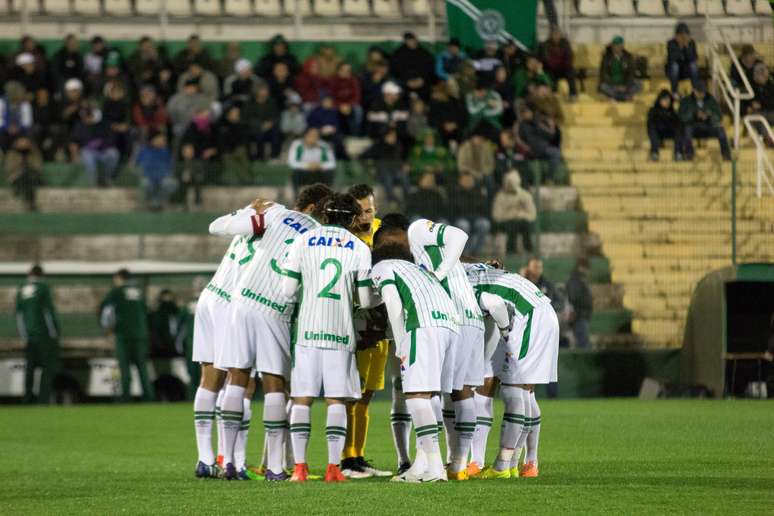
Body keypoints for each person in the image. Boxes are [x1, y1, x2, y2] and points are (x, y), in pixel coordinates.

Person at [211, 184, 331, 481]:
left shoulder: (275, 211)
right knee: (274, 383)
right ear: (316, 208)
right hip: (274, 307)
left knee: (237, 377)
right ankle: (275, 467)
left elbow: (221, 227)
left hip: (241, 299)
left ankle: (229, 461)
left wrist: (246, 210)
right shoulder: (318, 235)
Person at [282, 193, 376, 483]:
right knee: (336, 401)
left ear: (324, 214)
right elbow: (365, 299)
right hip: (340, 333)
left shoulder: (303, 241)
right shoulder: (359, 248)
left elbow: (287, 291)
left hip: (308, 332)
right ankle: (334, 468)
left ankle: (300, 468)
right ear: (350, 219)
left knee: (302, 400)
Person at [189, 200, 273, 479]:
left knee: (209, 380)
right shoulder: (278, 232)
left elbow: (218, 225)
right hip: (233, 303)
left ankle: (205, 458)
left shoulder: (246, 225)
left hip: (210, 295)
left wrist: (247, 209)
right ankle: (233, 461)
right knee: (242, 382)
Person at [402, 218, 486, 481]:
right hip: (472, 317)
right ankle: (458, 465)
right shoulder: (427, 255)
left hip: (452, 316)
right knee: (462, 393)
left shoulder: (416, 230)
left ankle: (426, 463)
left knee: (430, 390)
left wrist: (437, 276)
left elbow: (459, 235)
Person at [369, 242, 460, 483]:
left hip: (423, 326)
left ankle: (435, 468)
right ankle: (421, 465)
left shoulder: (383, 266)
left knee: (416, 395)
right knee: (430, 396)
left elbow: (391, 299)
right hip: (450, 326)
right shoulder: (417, 270)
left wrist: (400, 342)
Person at [466, 263, 559, 479]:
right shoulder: (475, 273)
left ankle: (503, 465)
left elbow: (495, 304)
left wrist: (507, 333)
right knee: (523, 390)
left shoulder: (463, 285)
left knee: (515, 390)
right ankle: (513, 463)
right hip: (534, 313)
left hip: (526, 318)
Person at [340, 185, 393, 479]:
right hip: (358, 326)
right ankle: (346, 458)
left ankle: (358, 456)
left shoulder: (382, 230)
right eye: (361, 210)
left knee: (368, 395)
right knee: (353, 394)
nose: (366, 215)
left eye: (370, 209)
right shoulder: (345, 238)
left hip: (381, 325)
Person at [99, 269, 155, 402]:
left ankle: (126, 398)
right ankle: (149, 398)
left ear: (119, 278)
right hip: (141, 336)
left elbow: (106, 311)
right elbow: (148, 312)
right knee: (142, 369)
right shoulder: (140, 292)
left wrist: (106, 328)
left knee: (124, 369)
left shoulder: (116, 292)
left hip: (123, 336)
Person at [15, 265, 60, 404]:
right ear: (42, 275)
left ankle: (27, 397)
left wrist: (24, 336)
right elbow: (48, 313)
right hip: (44, 335)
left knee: (30, 367)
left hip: (29, 336)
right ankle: (43, 399)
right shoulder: (44, 288)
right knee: (47, 368)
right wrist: (55, 332)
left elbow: (19, 316)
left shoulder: (21, 289)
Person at [679, 82, 732, 161]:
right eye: (699, 92)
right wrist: (694, 115)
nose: (701, 94)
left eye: (703, 92)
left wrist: (709, 115)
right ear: (694, 91)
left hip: (708, 126)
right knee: (687, 130)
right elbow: (682, 117)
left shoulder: (711, 100)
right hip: (693, 126)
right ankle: (689, 154)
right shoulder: (686, 101)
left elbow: (719, 116)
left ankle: (726, 155)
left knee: (721, 130)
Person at [70, 106, 121, 186]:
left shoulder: (103, 124)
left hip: (103, 151)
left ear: (93, 115)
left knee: (114, 153)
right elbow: (73, 142)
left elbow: (111, 141)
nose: (85, 118)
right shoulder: (80, 126)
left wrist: (102, 144)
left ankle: (107, 178)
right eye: (84, 116)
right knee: (87, 155)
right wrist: (75, 155)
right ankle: (93, 182)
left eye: (87, 116)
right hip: (88, 152)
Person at [179, 107, 219, 206]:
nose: (205, 116)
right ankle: (184, 201)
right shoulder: (191, 127)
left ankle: (197, 200)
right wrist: (187, 149)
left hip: (205, 158)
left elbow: (217, 144)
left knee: (198, 175)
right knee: (187, 175)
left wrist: (212, 150)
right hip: (192, 159)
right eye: (203, 114)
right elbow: (185, 144)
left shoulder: (211, 128)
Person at [446, 172, 491, 257]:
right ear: (460, 181)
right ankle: (464, 253)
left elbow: (483, 209)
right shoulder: (455, 192)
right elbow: (452, 210)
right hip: (459, 218)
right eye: (465, 180)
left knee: (485, 224)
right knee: (464, 225)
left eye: (470, 180)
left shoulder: (478, 192)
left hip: (475, 218)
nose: (468, 182)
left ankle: (476, 252)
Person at [492, 170, 536, 254]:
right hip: (505, 223)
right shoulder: (500, 196)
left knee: (524, 223)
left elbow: (532, 215)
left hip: (522, 220)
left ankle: (529, 250)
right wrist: (513, 215)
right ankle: (511, 251)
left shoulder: (525, 195)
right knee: (513, 224)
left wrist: (520, 215)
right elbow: (496, 216)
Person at [359, 128, 409, 204]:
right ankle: (392, 199)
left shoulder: (398, 145)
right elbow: (362, 156)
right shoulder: (378, 146)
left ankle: (407, 198)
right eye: (392, 136)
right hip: (382, 173)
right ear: (386, 136)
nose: (394, 138)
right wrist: (370, 169)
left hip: (396, 172)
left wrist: (405, 164)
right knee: (387, 177)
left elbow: (403, 158)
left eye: (395, 136)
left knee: (403, 176)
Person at [517, 102, 563, 183]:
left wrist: (551, 126)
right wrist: (525, 147)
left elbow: (551, 135)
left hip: (543, 149)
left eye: (528, 112)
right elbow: (519, 140)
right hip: (531, 150)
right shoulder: (521, 125)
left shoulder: (538, 122)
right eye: (524, 113)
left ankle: (549, 178)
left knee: (556, 153)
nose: (527, 114)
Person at [135, 130, 176, 211]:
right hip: (148, 177)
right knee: (145, 183)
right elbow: (139, 166)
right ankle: (150, 203)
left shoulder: (165, 152)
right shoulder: (144, 151)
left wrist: (163, 175)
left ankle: (158, 202)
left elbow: (170, 167)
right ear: (153, 140)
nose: (163, 141)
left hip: (162, 178)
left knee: (170, 184)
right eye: (161, 139)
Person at [288, 127, 336, 193]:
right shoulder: (297, 145)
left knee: (329, 173)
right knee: (295, 173)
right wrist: (308, 166)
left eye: (316, 136)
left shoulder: (324, 146)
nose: (313, 138)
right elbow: (292, 163)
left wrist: (320, 166)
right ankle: (296, 197)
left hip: (319, 173)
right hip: (304, 173)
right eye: (311, 135)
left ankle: (328, 196)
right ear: (305, 136)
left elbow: (332, 164)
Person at [389, 32, 435, 101]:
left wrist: (422, 80)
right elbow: (395, 70)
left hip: (422, 83)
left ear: (416, 40)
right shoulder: (398, 54)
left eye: (412, 40)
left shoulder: (424, 53)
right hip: (405, 83)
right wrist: (406, 81)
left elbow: (430, 68)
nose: (410, 42)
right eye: (408, 40)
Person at [365, 81, 410, 147]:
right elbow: (372, 122)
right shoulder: (376, 105)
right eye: (394, 94)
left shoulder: (401, 105)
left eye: (397, 94)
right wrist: (388, 124)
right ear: (386, 94)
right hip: (379, 135)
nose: (397, 96)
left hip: (397, 134)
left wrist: (394, 127)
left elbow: (404, 118)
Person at [4, 133, 42, 211]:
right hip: (16, 177)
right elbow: (9, 168)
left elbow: (38, 167)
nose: (23, 143)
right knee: (24, 177)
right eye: (21, 141)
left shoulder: (34, 153)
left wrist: (28, 166)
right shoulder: (12, 154)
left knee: (27, 176)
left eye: (25, 141)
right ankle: (31, 203)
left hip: (31, 176)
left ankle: (24, 198)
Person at [538, 26, 578, 100]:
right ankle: (554, 93)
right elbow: (546, 59)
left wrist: (563, 65)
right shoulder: (545, 45)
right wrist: (556, 65)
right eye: (554, 34)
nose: (556, 36)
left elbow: (569, 57)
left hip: (563, 68)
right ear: (550, 35)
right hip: (551, 68)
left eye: (557, 34)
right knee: (549, 73)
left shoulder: (565, 43)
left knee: (570, 71)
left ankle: (573, 94)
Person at [243, 83, 281, 161]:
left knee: (276, 131)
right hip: (254, 128)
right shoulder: (249, 102)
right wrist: (260, 124)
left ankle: (274, 155)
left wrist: (270, 123)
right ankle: (260, 156)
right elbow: (246, 118)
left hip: (269, 127)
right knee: (257, 132)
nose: (264, 92)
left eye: (266, 90)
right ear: (256, 91)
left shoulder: (271, 102)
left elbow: (276, 116)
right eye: (262, 90)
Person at [647, 89, 686, 162]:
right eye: (664, 100)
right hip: (658, 133)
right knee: (651, 125)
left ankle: (678, 153)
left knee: (680, 125)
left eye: (668, 100)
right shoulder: (653, 110)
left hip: (670, 132)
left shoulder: (672, 110)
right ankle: (654, 153)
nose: (666, 102)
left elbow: (678, 122)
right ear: (660, 100)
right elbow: (651, 122)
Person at [216, 104, 252, 183]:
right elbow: (221, 142)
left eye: (237, 113)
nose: (236, 115)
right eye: (234, 113)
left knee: (242, 153)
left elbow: (244, 141)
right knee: (231, 162)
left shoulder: (242, 125)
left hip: (238, 151)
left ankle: (247, 180)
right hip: (226, 152)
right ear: (228, 114)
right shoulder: (221, 125)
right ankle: (246, 179)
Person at [598, 36, 641, 102]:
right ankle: (624, 97)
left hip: (625, 85)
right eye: (615, 45)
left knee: (638, 84)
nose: (616, 47)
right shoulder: (606, 57)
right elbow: (604, 74)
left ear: (622, 46)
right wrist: (615, 86)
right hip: (612, 84)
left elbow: (631, 73)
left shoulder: (628, 57)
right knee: (603, 86)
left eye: (619, 45)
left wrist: (625, 85)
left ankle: (617, 97)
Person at [457, 130, 497, 199]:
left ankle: (490, 200)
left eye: (481, 138)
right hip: (469, 173)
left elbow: (491, 164)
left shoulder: (487, 148)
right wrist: (474, 173)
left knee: (489, 179)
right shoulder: (464, 148)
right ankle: (476, 201)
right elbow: (461, 166)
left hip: (484, 173)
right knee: (473, 181)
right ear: (472, 138)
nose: (480, 140)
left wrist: (484, 172)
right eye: (478, 138)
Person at [428, 81, 468, 149]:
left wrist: (455, 124)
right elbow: (431, 119)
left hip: (457, 130)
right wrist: (443, 125)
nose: (434, 95)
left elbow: (464, 117)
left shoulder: (456, 102)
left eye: (436, 92)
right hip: (441, 131)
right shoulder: (433, 104)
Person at [565, 258, 593, 349]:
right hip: (578, 316)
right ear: (581, 267)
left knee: (583, 344)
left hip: (580, 315)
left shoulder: (578, 279)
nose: (587, 271)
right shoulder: (576, 280)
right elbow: (574, 297)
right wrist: (587, 301)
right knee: (583, 345)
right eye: (586, 268)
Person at [666, 22, 699, 95]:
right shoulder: (671, 43)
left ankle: (695, 89)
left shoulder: (691, 43)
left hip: (686, 70)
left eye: (685, 35)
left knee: (693, 65)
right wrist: (680, 47)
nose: (683, 37)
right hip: (673, 71)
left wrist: (687, 47)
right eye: (681, 35)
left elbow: (694, 58)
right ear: (676, 35)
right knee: (675, 66)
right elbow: (672, 58)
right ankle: (674, 91)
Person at [331, 62, 362, 136]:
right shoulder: (333, 80)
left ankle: (355, 134)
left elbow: (357, 96)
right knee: (331, 110)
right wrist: (340, 105)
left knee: (358, 110)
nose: (346, 72)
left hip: (350, 105)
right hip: (336, 104)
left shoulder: (354, 80)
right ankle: (336, 134)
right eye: (344, 70)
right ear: (338, 71)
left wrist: (349, 105)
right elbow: (331, 97)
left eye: (348, 71)